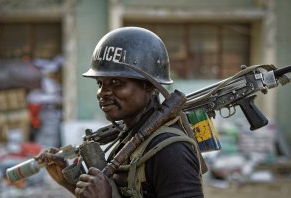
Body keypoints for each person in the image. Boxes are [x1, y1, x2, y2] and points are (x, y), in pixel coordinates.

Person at [37, 27, 204, 198]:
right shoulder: (128, 140)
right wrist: (68, 182)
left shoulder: (170, 151)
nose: (103, 93)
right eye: (100, 83)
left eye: (116, 82)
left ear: (149, 85)